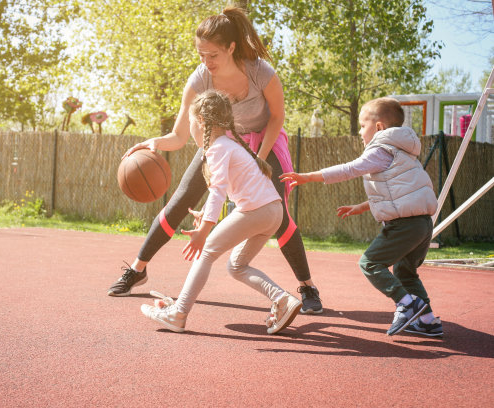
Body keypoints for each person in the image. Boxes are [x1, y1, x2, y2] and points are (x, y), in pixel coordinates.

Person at [107, 6, 323, 314]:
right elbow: (179, 136)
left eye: (213, 56)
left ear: (231, 48)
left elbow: (277, 118)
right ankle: (138, 269)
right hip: (220, 140)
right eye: (201, 55)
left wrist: (258, 161)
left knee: (277, 210)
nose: (206, 63)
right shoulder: (200, 80)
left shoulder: (261, 71)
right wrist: (154, 143)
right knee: (180, 200)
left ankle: (307, 286)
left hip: (263, 141)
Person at [141, 90, 302, 333]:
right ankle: (282, 299)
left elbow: (217, 191)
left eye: (191, 122)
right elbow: (226, 188)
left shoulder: (217, 148)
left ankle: (178, 313)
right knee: (237, 266)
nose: (191, 128)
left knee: (205, 252)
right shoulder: (231, 145)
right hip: (273, 211)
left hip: (256, 211)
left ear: (202, 122)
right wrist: (205, 211)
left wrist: (205, 230)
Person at [280, 97, 443, 337]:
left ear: (378, 127)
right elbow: (398, 193)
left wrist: (309, 176)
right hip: (422, 224)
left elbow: (350, 169)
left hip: (404, 226)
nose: (359, 131)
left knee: (370, 263)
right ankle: (427, 320)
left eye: (362, 125)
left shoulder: (381, 148)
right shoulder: (404, 152)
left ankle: (407, 304)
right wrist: (362, 206)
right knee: (406, 272)